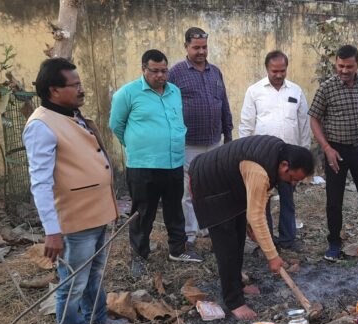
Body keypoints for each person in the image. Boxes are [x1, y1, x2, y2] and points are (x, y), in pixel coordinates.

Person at [23, 58, 126, 324]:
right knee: (74, 281)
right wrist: (52, 231)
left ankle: (97, 320)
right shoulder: (42, 126)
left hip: (97, 212)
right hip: (75, 219)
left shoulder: (71, 114)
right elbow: (41, 183)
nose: (82, 90)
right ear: (54, 90)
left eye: (81, 84)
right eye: (75, 85)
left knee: (94, 274)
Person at [187, 135, 314, 319]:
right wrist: (273, 256)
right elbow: (257, 216)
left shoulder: (277, 156)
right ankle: (234, 301)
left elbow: (258, 201)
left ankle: (237, 284)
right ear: (285, 165)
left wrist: (250, 225)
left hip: (230, 185)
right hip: (208, 183)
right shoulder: (259, 170)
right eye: (293, 178)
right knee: (227, 244)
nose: (292, 183)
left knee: (238, 235)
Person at [110, 49, 201, 278]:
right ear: (144, 69)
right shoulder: (127, 93)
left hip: (173, 162)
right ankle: (139, 256)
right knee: (143, 213)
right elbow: (116, 126)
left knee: (174, 210)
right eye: (155, 71)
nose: (161, 76)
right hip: (143, 165)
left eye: (164, 71)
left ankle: (177, 250)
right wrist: (138, 144)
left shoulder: (174, 92)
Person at [309, 44, 358, 262]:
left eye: (349, 66)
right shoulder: (327, 88)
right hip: (335, 151)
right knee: (334, 200)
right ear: (336, 65)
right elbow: (313, 118)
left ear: (357, 65)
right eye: (340, 66)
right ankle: (334, 243)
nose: (344, 70)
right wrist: (327, 148)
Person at [239, 50, 311, 251]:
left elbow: (304, 124)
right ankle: (266, 240)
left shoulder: (296, 91)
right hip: (262, 159)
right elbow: (246, 125)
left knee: (288, 200)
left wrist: (303, 155)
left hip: (290, 159)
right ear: (267, 69)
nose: (279, 75)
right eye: (274, 71)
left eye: (282, 70)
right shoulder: (254, 91)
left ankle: (288, 239)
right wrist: (245, 157)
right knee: (263, 203)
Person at [169, 27, 234, 248]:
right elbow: (169, 106)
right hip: (189, 143)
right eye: (196, 47)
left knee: (212, 187)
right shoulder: (176, 73)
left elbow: (223, 103)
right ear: (186, 46)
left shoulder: (215, 72)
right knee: (190, 190)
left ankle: (208, 225)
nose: (201, 51)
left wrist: (228, 134)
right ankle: (190, 232)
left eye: (204, 47)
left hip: (214, 140)